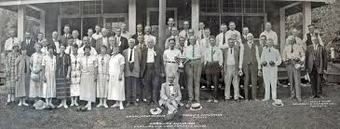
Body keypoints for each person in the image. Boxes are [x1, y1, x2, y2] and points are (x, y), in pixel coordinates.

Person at [141, 38, 163, 106]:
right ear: (147, 44)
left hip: (155, 69)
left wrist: (162, 71)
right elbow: (142, 62)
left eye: (151, 42)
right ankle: (148, 99)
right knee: (147, 85)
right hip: (147, 69)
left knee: (155, 85)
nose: (150, 44)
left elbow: (161, 62)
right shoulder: (144, 51)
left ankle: (155, 99)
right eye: (149, 42)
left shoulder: (158, 51)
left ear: (154, 43)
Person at [282, 36, 305, 102]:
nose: (290, 41)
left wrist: (300, 59)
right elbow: (283, 56)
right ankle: (292, 94)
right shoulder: (286, 48)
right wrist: (286, 59)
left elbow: (303, 55)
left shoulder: (299, 47)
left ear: (294, 40)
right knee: (291, 80)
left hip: (296, 64)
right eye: (289, 40)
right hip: (289, 64)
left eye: (291, 40)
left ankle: (298, 96)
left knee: (297, 80)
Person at [243, 33, 262, 101]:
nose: (250, 38)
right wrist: (240, 67)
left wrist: (259, 68)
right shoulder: (243, 46)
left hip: (254, 65)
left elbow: (257, 57)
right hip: (246, 65)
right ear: (246, 38)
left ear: (253, 38)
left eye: (251, 37)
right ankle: (246, 97)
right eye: (248, 37)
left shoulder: (255, 46)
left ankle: (254, 97)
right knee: (246, 81)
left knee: (254, 81)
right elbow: (241, 57)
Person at [79, 45, 98, 110]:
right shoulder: (82, 58)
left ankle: (89, 104)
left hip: (91, 75)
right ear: (84, 50)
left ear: (90, 50)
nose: (87, 51)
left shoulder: (94, 57)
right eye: (85, 49)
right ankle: (87, 103)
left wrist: (95, 76)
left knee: (90, 89)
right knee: (85, 90)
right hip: (84, 75)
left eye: (88, 49)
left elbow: (96, 67)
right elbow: (80, 67)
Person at [204, 36, 223, 102]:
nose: (212, 42)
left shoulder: (218, 49)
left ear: (215, 41)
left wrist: (220, 65)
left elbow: (221, 58)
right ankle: (210, 97)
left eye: (213, 40)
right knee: (208, 82)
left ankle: (215, 97)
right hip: (209, 65)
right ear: (209, 41)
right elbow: (205, 58)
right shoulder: (206, 49)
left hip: (215, 65)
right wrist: (205, 65)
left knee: (215, 82)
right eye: (211, 40)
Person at [185, 36, 202, 107]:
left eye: (193, 39)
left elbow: (202, 56)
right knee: (190, 82)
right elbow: (185, 56)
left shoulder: (199, 47)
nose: (192, 40)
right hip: (189, 63)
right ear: (189, 40)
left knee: (197, 81)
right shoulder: (187, 48)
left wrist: (199, 63)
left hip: (197, 62)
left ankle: (197, 98)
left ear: (195, 40)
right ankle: (190, 98)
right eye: (191, 39)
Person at [123, 39, 140, 106]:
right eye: (130, 42)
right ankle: (128, 101)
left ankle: (134, 100)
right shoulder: (124, 52)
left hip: (135, 70)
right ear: (128, 43)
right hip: (127, 70)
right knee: (128, 87)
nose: (131, 44)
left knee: (134, 86)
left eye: (133, 42)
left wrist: (137, 69)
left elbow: (140, 61)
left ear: (134, 43)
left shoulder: (137, 52)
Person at [55, 44, 71, 108]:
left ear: (65, 49)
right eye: (61, 48)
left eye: (63, 48)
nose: (62, 49)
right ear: (59, 48)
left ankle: (65, 103)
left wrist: (68, 74)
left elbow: (69, 65)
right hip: (59, 74)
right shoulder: (57, 55)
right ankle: (61, 102)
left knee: (65, 88)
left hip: (65, 73)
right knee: (60, 89)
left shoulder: (67, 56)